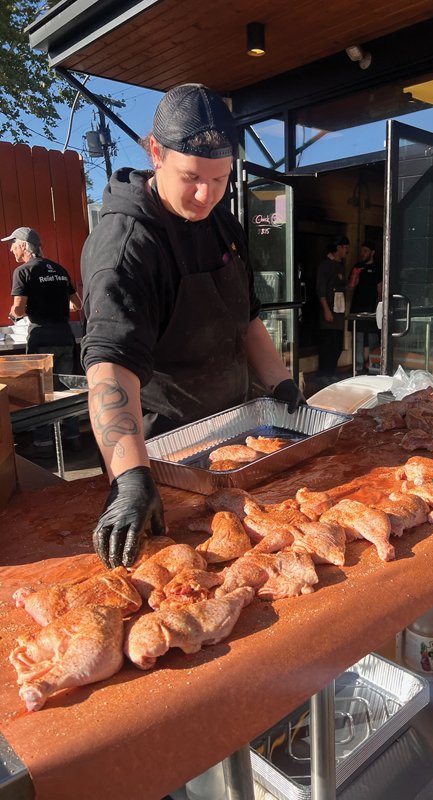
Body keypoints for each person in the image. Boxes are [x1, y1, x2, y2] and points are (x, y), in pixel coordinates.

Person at [81, 83, 305, 570]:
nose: (207, 194)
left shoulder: (222, 223)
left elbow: (245, 318)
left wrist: (281, 381)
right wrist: (131, 478)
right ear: (156, 153)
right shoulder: (126, 246)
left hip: (235, 437)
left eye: (221, 179)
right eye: (191, 177)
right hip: (159, 452)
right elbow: (109, 366)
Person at [2, 226, 83, 456]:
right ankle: (74, 439)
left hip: (41, 340)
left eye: (13, 244)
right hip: (65, 338)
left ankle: (44, 444)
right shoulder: (59, 269)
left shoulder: (23, 272)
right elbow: (77, 305)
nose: (11, 250)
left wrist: (14, 314)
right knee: (67, 390)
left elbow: (18, 309)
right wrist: (56, 306)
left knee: (42, 392)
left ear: (24, 246)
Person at [315, 236, 349, 382]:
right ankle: (323, 374)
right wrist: (326, 309)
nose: (347, 251)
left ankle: (331, 371)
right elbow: (320, 289)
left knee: (336, 343)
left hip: (339, 308)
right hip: (328, 307)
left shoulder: (340, 265)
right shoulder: (325, 265)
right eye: (345, 247)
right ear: (338, 248)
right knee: (327, 343)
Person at [348, 240, 383, 374]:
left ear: (372, 252)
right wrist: (356, 274)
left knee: (374, 337)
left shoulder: (378, 268)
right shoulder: (357, 266)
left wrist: (378, 307)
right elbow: (351, 286)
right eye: (362, 251)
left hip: (372, 307)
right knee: (358, 338)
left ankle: (374, 365)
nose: (363, 254)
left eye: (365, 251)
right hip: (357, 306)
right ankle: (358, 367)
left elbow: (380, 289)